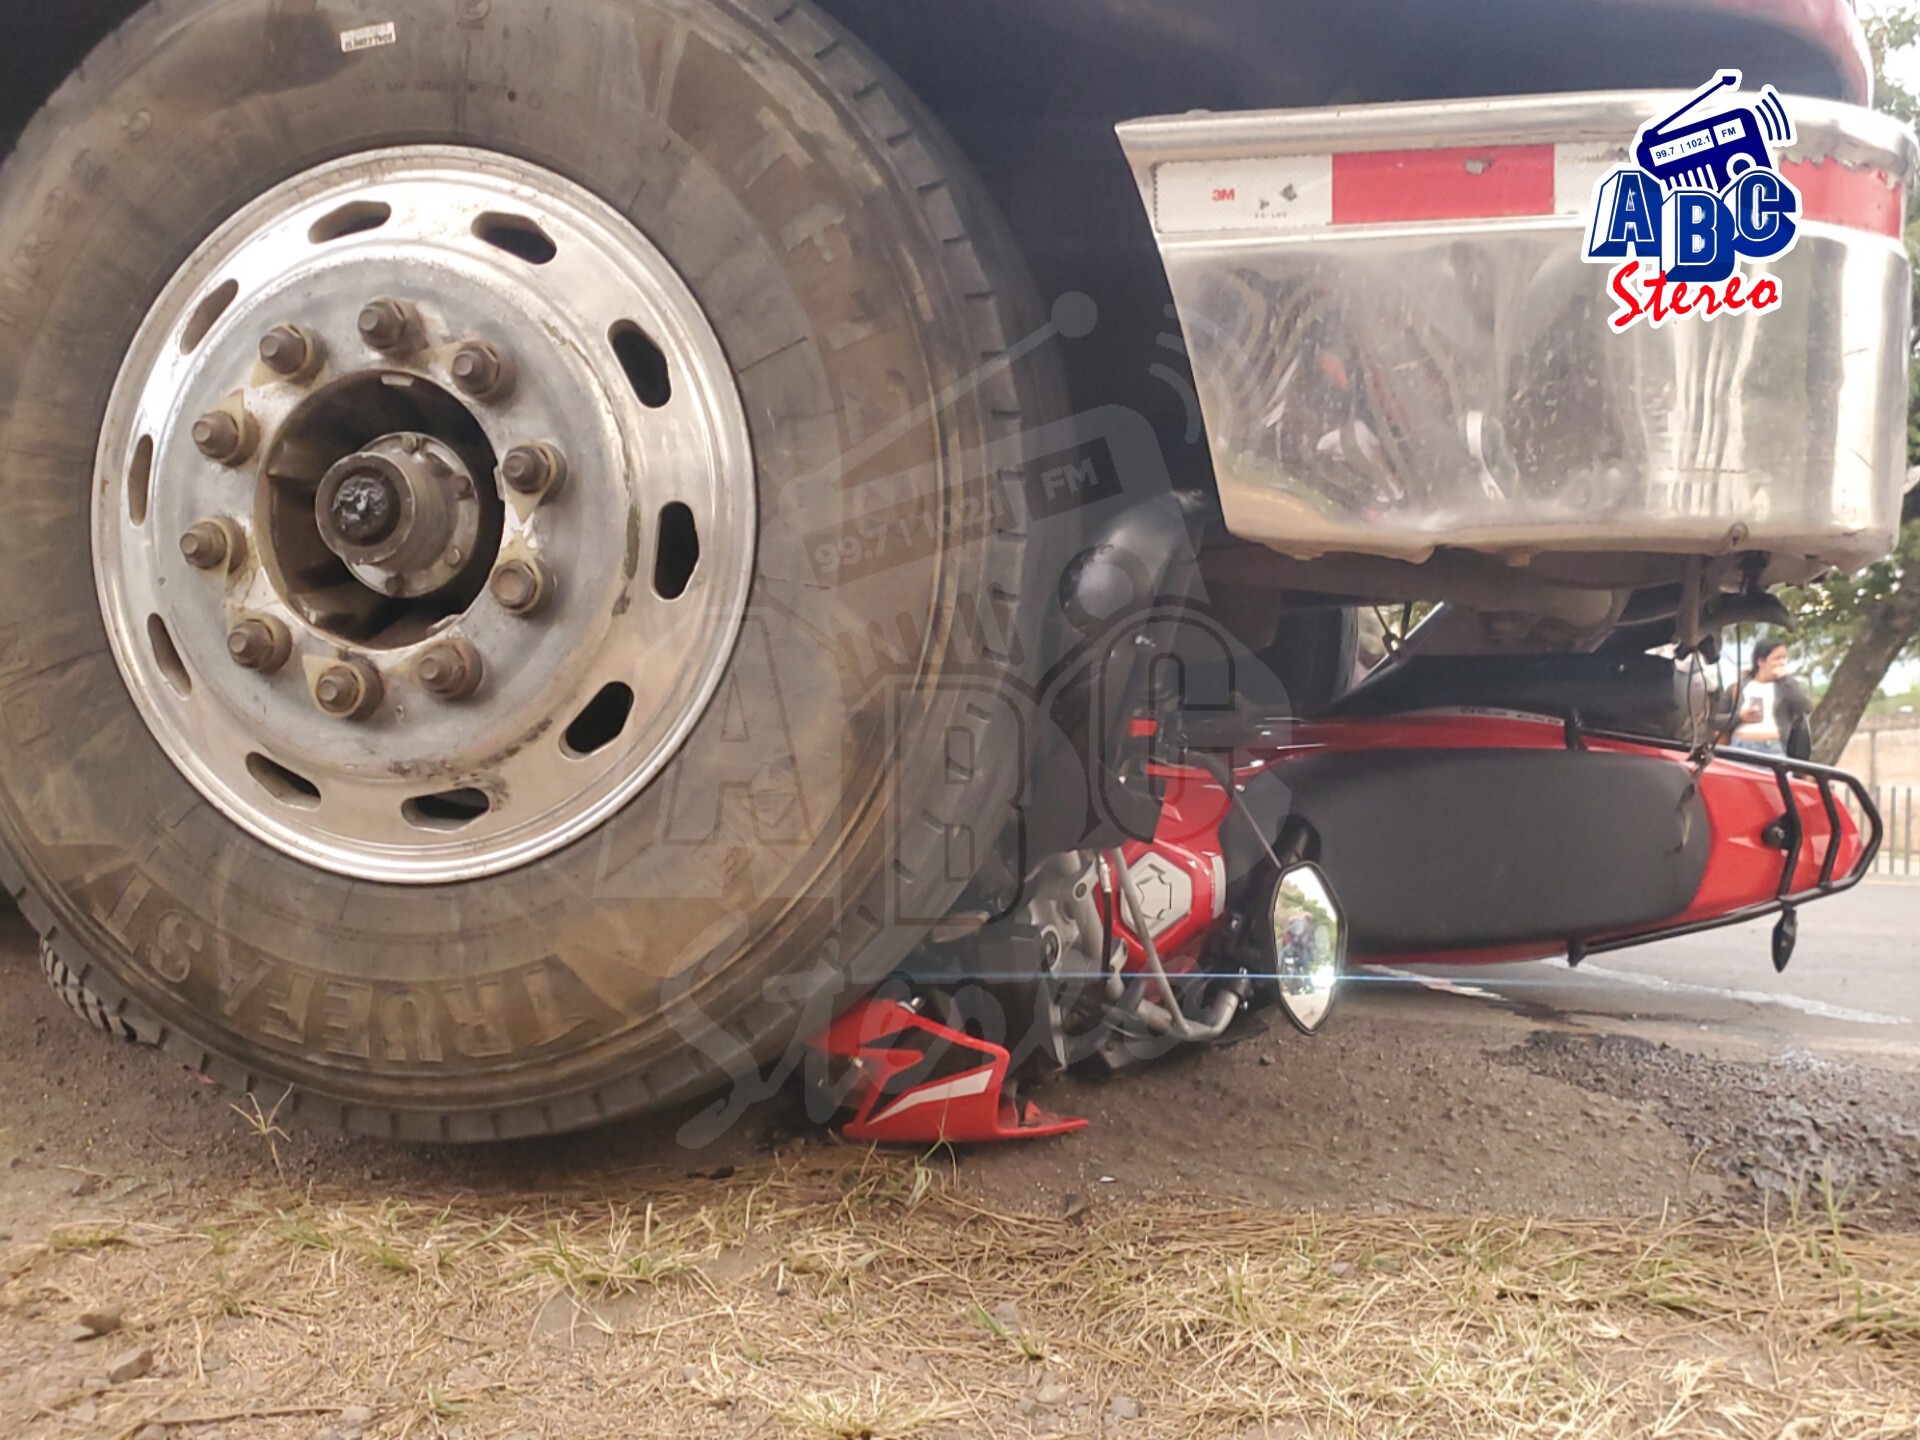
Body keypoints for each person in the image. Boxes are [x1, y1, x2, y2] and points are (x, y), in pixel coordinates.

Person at [1731, 640, 1811, 757]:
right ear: (1761, 662)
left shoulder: (1786, 687)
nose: (1782, 663)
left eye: (1784, 658)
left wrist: (1786, 679)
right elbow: (1716, 720)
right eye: (1777, 658)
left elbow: (1805, 707)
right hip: (1740, 745)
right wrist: (1740, 717)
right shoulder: (1739, 687)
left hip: (1772, 747)